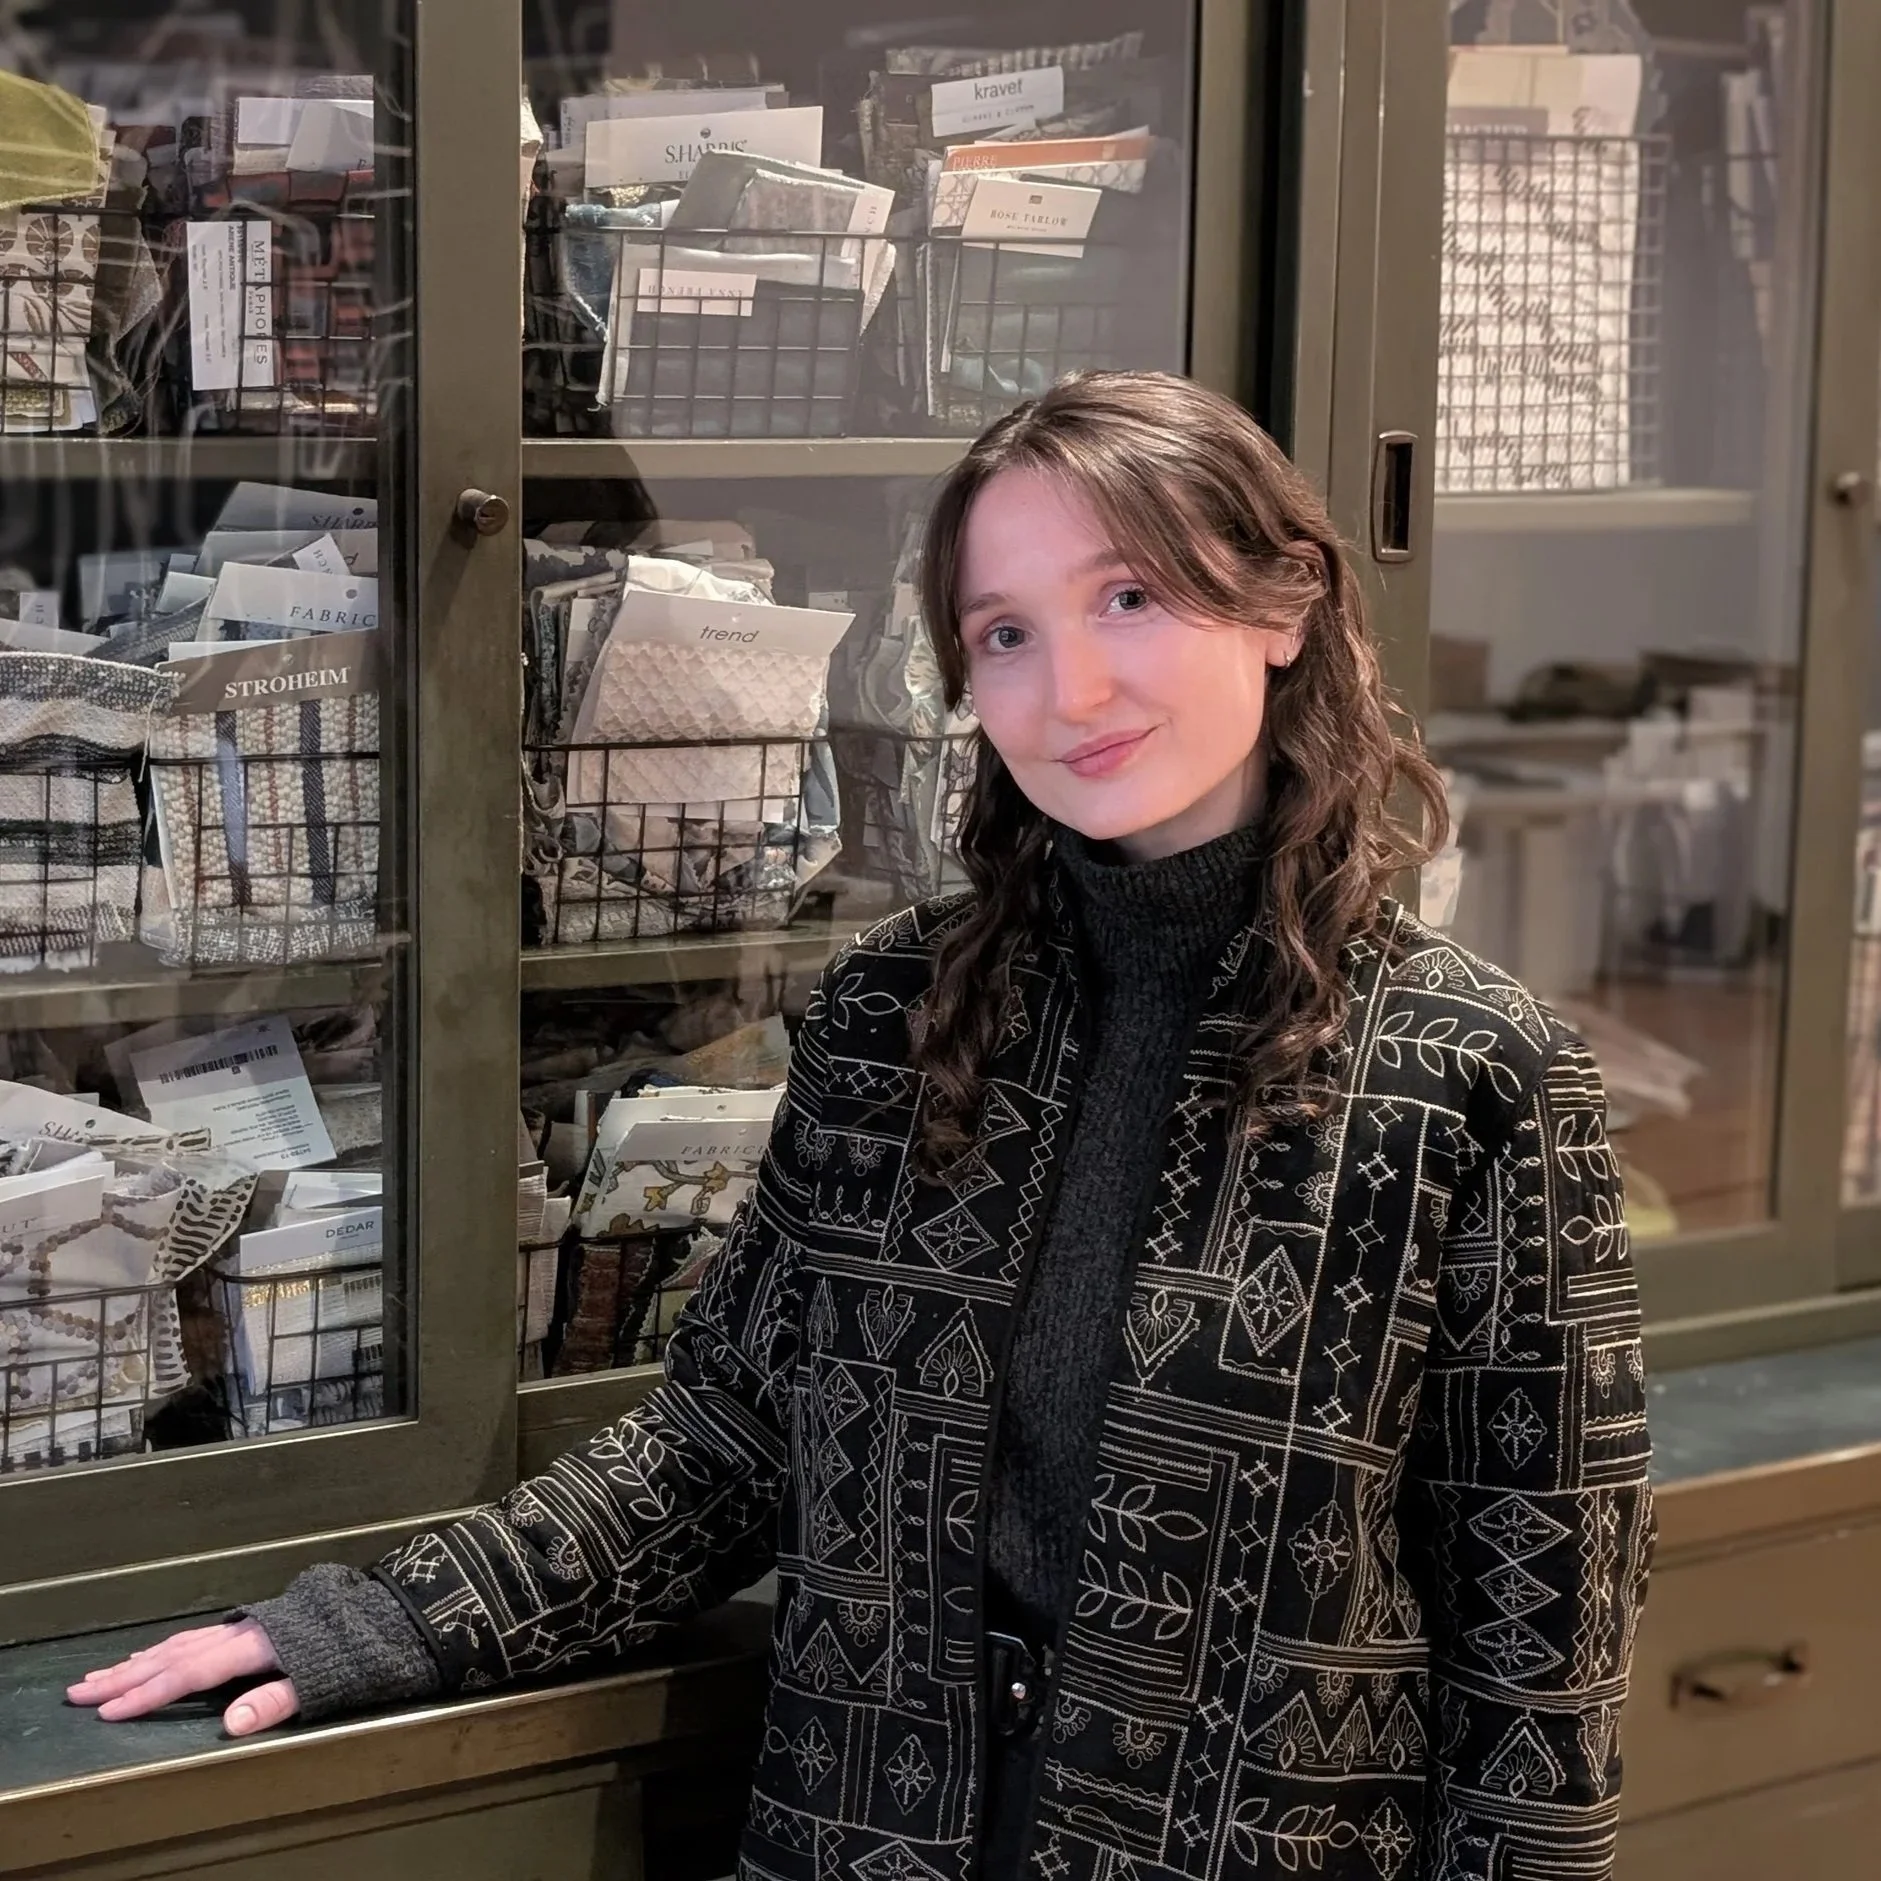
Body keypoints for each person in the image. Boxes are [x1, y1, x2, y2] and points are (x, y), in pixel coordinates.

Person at [71, 372, 1655, 1881]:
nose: (1072, 688)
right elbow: (727, 1444)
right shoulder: (904, 1013)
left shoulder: (1474, 1072)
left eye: (1130, 599)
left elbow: (1541, 1669)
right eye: (1007, 632)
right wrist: (382, 1622)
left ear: (1286, 601)